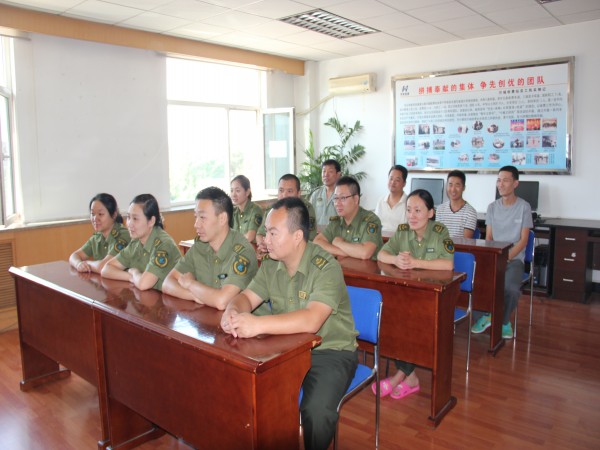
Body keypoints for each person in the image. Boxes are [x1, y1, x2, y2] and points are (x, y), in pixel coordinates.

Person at [220, 197, 358, 450]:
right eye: (265, 232)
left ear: (297, 237)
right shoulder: (271, 264)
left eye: (273, 233)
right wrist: (232, 312)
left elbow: (312, 320)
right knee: (248, 392)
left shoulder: (326, 267)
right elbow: (246, 298)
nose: (265, 239)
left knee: (316, 410)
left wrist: (258, 325)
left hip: (330, 350)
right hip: (286, 347)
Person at [374, 189, 454, 399]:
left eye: (418, 210)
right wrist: (395, 260)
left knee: (409, 325)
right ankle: (409, 377)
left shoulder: (440, 232)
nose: (412, 215)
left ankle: (401, 376)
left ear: (430, 213)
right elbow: (381, 254)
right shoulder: (402, 231)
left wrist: (415, 262)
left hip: (433, 300)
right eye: (409, 210)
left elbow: (448, 264)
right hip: (407, 297)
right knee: (393, 320)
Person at [162, 187, 258, 310]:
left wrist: (190, 284)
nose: (196, 224)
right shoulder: (200, 246)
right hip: (207, 316)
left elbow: (221, 302)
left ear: (222, 218)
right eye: (196, 217)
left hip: (238, 320)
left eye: (202, 217)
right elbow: (167, 284)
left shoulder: (242, 252)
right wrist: (195, 296)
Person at [472, 165, 533, 339]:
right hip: (495, 257)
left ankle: (504, 321)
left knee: (510, 289)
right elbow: (489, 237)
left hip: (514, 259)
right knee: (477, 282)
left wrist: (506, 258)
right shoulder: (492, 207)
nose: (501, 184)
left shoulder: (524, 207)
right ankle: (485, 316)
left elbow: (523, 240)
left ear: (515, 183)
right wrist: (493, 258)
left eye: (505, 180)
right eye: (499, 180)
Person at [101, 194, 181, 291]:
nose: (129, 223)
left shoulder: (163, 244)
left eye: (135, 219)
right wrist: (132, 277)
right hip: (151, 296)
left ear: (151, 221)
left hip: (173, 299)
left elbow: (143, 284)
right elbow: (106, 269)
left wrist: (134, 272)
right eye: (128, 217)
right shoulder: (136, 242)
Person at [313, 176, 382, 260]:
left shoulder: (371, 220)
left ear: (356, 199)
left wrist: (338, 243)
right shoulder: (336, 222)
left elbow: (365, 253)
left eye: (343, 198)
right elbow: (317, 242)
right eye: (335, 198)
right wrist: (344, 252)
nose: (337, 203)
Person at [256, 174, 317, 255]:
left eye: (289, 191)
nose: (284, 195)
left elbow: (308, 239)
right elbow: (260, 234)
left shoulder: (306, 209)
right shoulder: (272, 210)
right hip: (273, 252)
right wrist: (262, 244)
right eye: (281, 190)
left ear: (298, 193)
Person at [69, 193, 130, 273]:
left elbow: (102, 267)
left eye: (100, 214)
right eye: (92, 214)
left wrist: (86, 263)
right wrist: (78, 264)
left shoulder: (123, 235)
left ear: (114, 215)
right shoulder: (97, 237)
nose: (95, 218)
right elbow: (74, 256)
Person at [435, 170, 478, 238]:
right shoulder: (440, 209)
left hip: (459, 245)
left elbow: (466, 242)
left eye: (457, 185)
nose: (453, 189)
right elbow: (437, 236)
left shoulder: (470, 213)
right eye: (450, 185)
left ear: (463, 188)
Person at [375, 165, 409, 233]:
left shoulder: (408, 203)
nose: (393, 182)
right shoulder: (381, 200)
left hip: (400, 238)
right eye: (391, 179)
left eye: (397, 180)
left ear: (404, 183)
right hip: (380, 238)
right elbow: (375, 223)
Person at [230, 175, 263, 243]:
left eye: (237, 191)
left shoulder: (255, 210)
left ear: (247, 192)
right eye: (232, 190)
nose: (233, 194)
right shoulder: (234, 212)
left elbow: (250, 237)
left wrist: (232, 241)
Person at [309, 159, 341, 227]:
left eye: (330, 171)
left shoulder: (343, 194)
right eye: (324, 171)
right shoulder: (316, 194)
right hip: (317, 232)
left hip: (335, 232)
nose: (326, 175)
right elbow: (309, 216)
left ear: (338, 174)